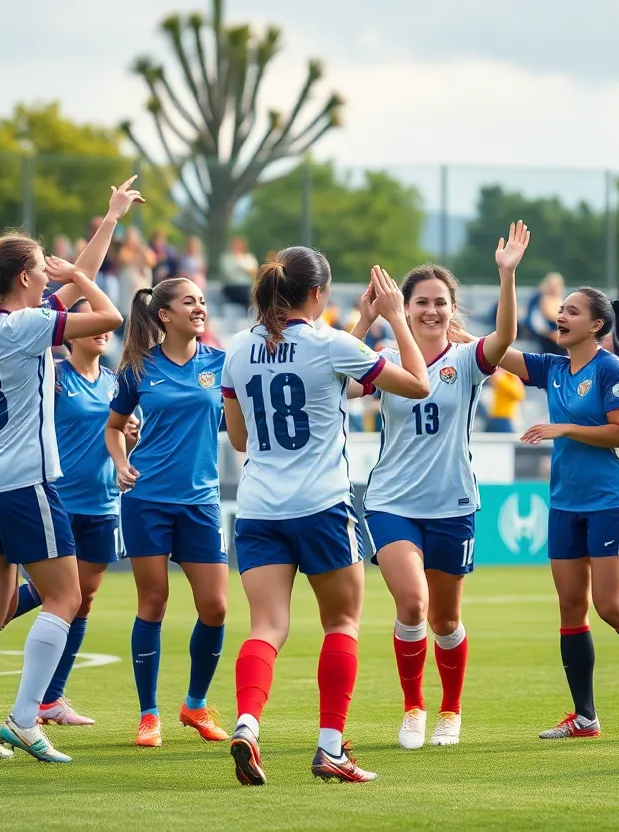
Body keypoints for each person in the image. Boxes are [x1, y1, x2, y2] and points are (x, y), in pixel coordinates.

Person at [0, 184, 143, 715]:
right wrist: (84, 280)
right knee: (65, 599)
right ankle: (27, 716)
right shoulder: (28, 326)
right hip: (23, 481)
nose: (53, 274)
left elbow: (52, 301)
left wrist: (108, 220)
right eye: (44, 268)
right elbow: (110, 317)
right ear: (24, 279)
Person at [222, 252, 431, 786]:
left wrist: (359, 326)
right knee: (341, 623)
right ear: (318, 294)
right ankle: (330, 747)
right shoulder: (331, 343)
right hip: (321, 505)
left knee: (267, 627)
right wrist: (394, 317)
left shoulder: (238, 349)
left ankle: (247, 724)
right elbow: (418, 384)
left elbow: (241, 440)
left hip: (259, 507)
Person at [351, 223, 528, 750]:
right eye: (421, 302)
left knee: (446, 618)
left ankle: (451, 710)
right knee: (413, 605)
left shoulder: (467, 359)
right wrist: (364, 317)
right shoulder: (382, 358)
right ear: (404, 307)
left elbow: (507, 338)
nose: (431, 311)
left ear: (453, 309)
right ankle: (413, 708)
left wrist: (507, 275)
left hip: (453, 504)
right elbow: (335, 376)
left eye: (440, 303)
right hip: (389, 502)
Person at [496, 287, 619, 741]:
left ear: (596, 326)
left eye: (571, 311)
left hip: (610, 500)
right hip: (564, 501)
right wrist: (448, 325)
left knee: (610, 606)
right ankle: (585, 717)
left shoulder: (610, 368)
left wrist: (563, 428)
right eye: (561, 309)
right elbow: (498, 349)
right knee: (570, 607)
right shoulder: (555, 368)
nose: (560, 316)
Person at [106, 276, 229, 749]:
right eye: (189, 301)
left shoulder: (220, 364)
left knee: (215, 607)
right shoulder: (139, 368)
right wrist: (120, 463)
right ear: (164, 315)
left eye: (202, 299)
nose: (200, 307)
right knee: (153, 603)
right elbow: (114, 428)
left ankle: (195, 705)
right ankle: (148, 714)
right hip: (147, 499)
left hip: (201, 502)